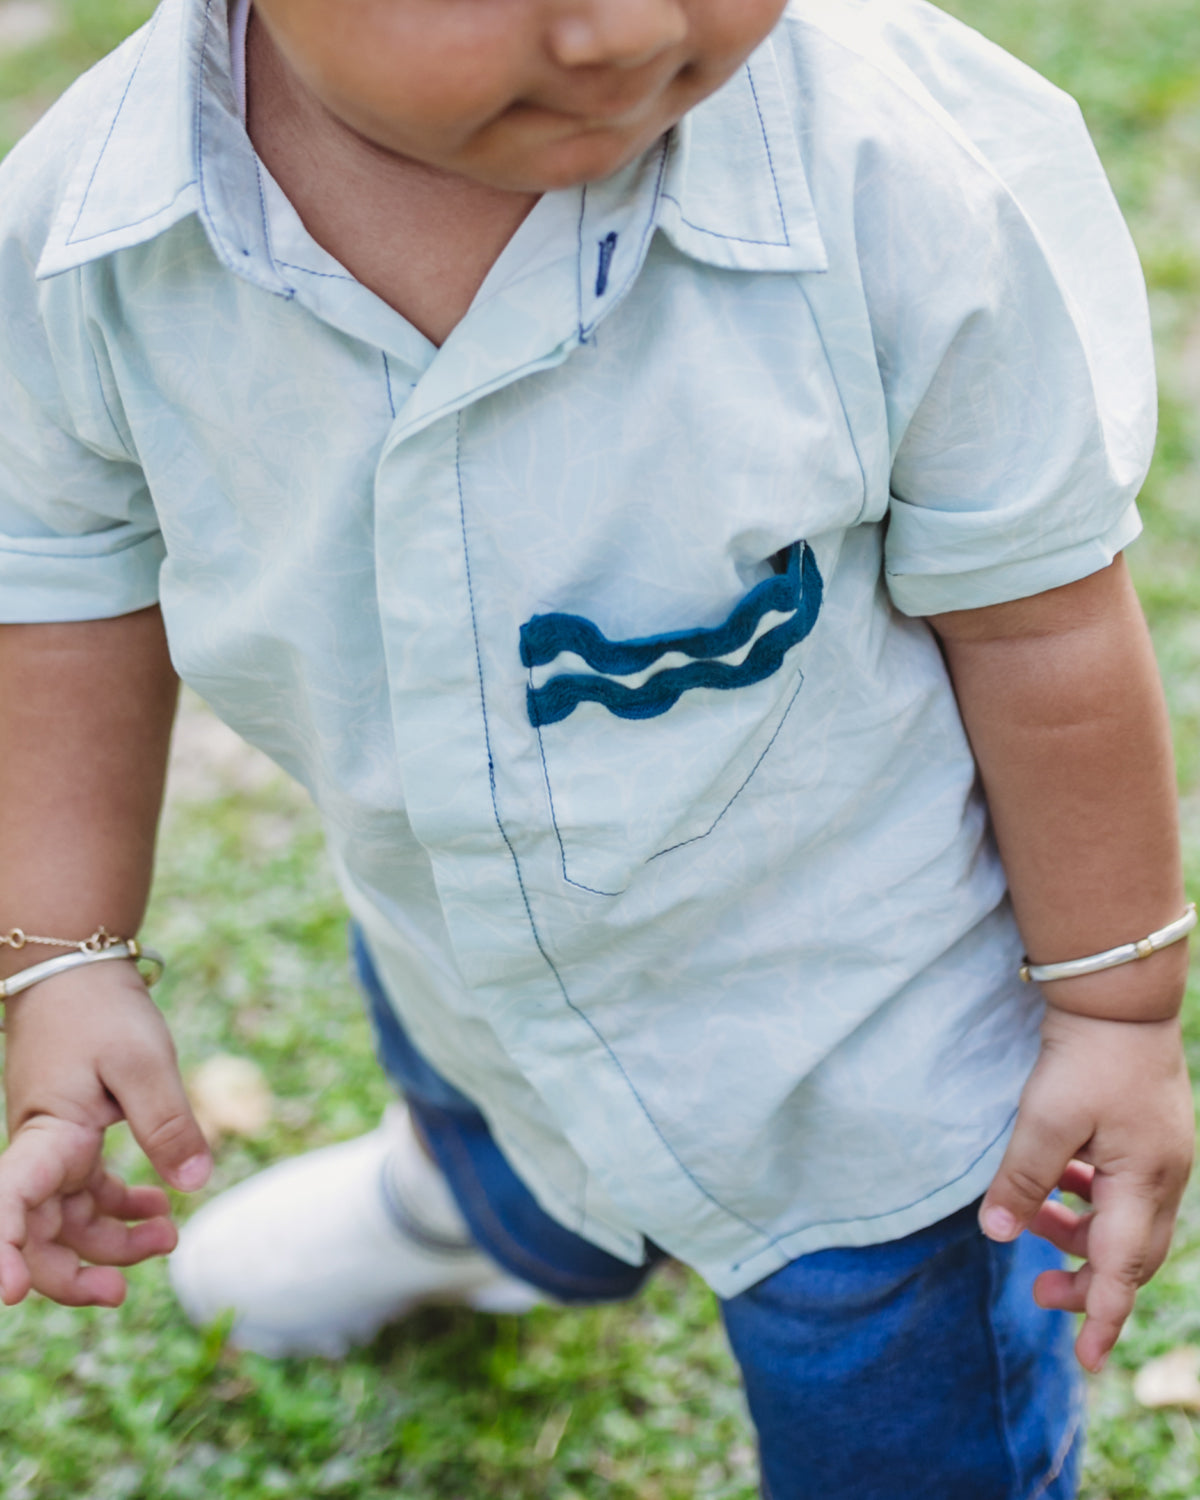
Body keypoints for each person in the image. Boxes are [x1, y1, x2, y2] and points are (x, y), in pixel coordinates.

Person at [0, 0, 1193, 1493]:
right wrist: (65, 957)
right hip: (461, 949)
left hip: (874, 1062)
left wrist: (1117, 1013)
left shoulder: (894, 179)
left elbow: (1044, 626)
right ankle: (468, 1213)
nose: (627, 26)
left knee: (899, 1423)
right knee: (487, 1120)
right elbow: (62, 585)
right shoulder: (85, 239)